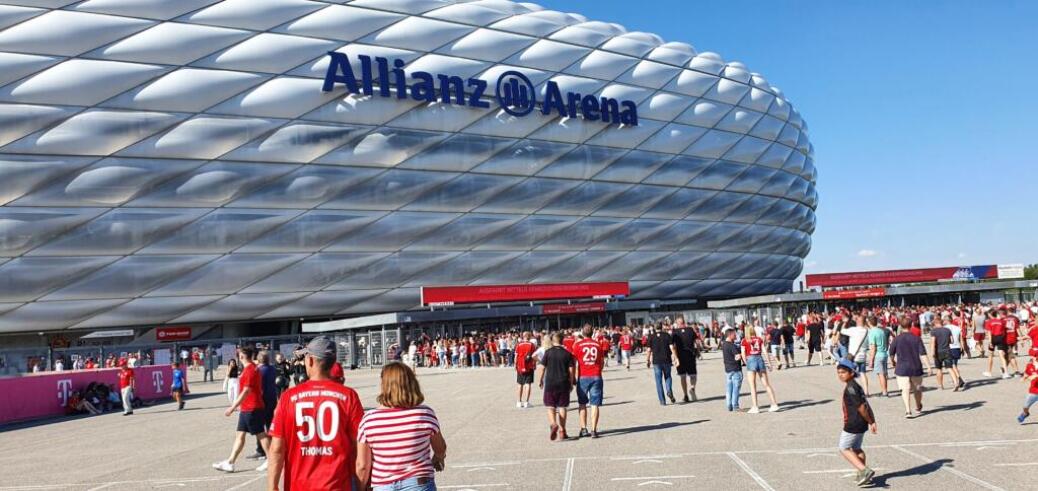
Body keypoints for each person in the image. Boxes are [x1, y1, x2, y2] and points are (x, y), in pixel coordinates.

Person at [267, 337, 365, 491]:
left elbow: (277, 448)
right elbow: (360, 445)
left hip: (299, 485)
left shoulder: (288, 398)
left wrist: (272, 486)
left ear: (311, 361)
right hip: (337, 484)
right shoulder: (348, 396)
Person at [356, 362, 446, 491]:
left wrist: (360, 487)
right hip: (418, 483)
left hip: (383, 485)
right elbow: (440, 447)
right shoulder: (424, 413)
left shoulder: (369, 420)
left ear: (383, 385)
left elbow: (362, 465)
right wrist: (438, 458)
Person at [212, 347, 270, 473]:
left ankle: (271, 459)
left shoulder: (250, 369)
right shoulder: (250, 369)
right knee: (240, 434)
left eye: (239, 354)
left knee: (260, 434)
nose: (238, 356)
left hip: (252, 407)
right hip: (247, 407)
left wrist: (232, 407)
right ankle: (230, 462)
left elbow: (246, 390)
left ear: (243, 356)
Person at [836, 359, 877, 486]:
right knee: (857, 448)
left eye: (843, 372)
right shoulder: (856, 385)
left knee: (844, 448)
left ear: (852, 373)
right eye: (838, 372)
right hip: (861, 423)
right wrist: (872, 421)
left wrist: (871, 420)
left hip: (853, 423)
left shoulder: (851, 388)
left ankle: (864, 470)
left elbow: (862, 407)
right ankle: (864, 476)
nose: (840, 375)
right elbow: (866, 403)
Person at [890, 317, 930, 418]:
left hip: (902, 367)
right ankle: (918, 405)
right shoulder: (916, 338)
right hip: (916, 366)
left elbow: (891, 353)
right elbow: (923, 353)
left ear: (900, 326)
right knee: (917, 388)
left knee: (905, 389)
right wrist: (928, 366)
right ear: (911, 325)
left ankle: (908, 410)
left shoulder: (897, 339)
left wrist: (892, 361)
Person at [539, 332, 576, 441]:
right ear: (562, 340)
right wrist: (571, 381)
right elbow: (571, 369)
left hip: (550, 382)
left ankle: (553, 423)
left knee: (550, 406)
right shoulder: (567, 353)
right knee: (562, 407)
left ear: (553, 341)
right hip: (563, 382)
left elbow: (542, 367)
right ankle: (562, 430)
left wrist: (540, 380)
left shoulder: (548, 352)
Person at [573, 326, 605, 438]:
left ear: (583, 333)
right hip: (596, 375)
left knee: (582, 403)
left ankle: (583, 428)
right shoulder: (598, 345)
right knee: (595, 404)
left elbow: (574, 362)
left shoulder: (577, 345)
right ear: (592, 333)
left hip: (583, 376)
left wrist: (573, 376)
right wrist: (598, 370)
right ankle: (594, 430)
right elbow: (602, 362)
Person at [247, 351, 278, 462]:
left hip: (262, 400)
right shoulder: (273, 369)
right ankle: (272, 448)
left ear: (259, 359)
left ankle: (261, 450)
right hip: (272, 399)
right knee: (270, 425)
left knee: (259, 427)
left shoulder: (258, 371)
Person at [742, 326, 779, 413]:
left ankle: (755, 407)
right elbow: (764, 351)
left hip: (750, 359)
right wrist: (769, 363)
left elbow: (743, 353)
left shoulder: (744, 340)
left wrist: (745, 362)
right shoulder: (759, 339)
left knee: (752, 385)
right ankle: (774, 404)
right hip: (759, 358)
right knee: (766, 384)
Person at [672, 317, 701, 403]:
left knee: (683, 376)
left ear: (678, 323)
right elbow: (697, 342)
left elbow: (673, 346)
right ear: (684, 323)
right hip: (690, 355)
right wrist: (698, 352)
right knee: (693, 375)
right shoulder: (690, 330)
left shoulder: (675, 332)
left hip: (680, 356)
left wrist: (675, 357)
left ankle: (685, 395)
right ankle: (692, 388)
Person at [647, 326, 677, 405]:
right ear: (662, 327)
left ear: (655, 328)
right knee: (668, 376)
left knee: (658, 381)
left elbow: (649, 350)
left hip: (656, 361)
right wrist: (675, 356)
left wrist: (647, 360)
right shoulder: (667, 335)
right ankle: (669, 390)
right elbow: (671, 347)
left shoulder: (651, 336)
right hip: (666, 360)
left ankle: (662, 401)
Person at [931, 315, 962, 391]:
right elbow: (952, 341)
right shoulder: (947, 330)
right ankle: (956, 383)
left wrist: (932, 352)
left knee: (939, 369)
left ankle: (940, 385)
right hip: (947, 350)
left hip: (938, 351)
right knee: (949, 368)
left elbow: (933, 342)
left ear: (936, 323)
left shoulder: (934, 331)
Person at [866, 317, 892, 397]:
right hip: (884, 354)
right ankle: (884, 390)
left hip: (878, 355)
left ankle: (884, 391)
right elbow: (887, 342)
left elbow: (873, 348)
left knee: (881, 374)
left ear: (869, 323)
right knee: (884, 374)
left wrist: (871, 360)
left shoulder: (872, 333)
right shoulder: (881, 331)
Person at [722, 327, 744, 412]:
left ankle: (729, 405)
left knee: (729, 389)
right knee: (736, 389)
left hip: (728, 369)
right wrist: (742, 355)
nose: (736, 335)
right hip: (735, 369)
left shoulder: (724, 344)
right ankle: (735, 405)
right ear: (730, 335)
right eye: (734, 334)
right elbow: (737, 357)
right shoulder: (732, 346)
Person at [984, 309, 1011, 379]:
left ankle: (989, 372)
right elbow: (1008, 327)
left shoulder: (989, 322)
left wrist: (990, 342)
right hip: (1000, 338)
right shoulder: (1002, 321)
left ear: (990, 314)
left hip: (993, 338)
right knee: (1002, 355)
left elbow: (989, 332)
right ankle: (1005, 373)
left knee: (990, 355)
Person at [514, 331, 536, 408]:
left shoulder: (519, 344)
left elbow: (516, 356)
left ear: (523, 336)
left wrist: (515, 365)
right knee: (528, 384)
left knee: (520, 384)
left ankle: (519, 401)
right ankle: (526, 402)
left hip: (520, 365)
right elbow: (534, 356)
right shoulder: (532, 345)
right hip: (529, 366)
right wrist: (534, 364)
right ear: (529, 337)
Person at [1017, 348, 1038, 424]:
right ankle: (1025, 413)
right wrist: (1024, 377)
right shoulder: (1029, 365)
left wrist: (1035, 376)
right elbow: (1027, 373)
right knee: (1025, 406)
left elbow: (1034, 376)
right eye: (1032, 355)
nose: (1033, 357)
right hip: (1033, 391)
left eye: (1034, 355)